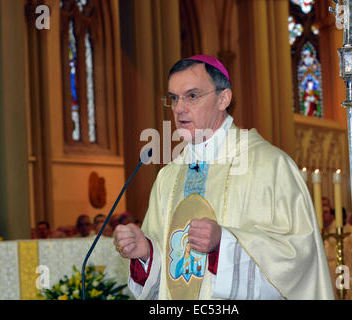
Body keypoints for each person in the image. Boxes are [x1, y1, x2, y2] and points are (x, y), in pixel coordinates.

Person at [113, 55, 333, 300]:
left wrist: (223, 244)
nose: (178, 108)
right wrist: (146, 253)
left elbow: (298, 258)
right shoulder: (169, 176)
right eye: (174, 98)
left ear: (223, 98)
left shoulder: (270, 165)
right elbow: (172, 276)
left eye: (192, 96)